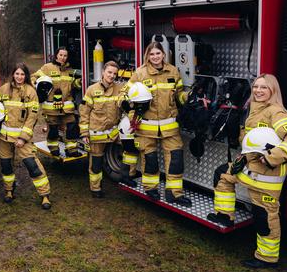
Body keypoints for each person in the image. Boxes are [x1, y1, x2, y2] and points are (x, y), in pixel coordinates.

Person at [208, 74, 287, 268]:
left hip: (266, 176)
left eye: (264, 88)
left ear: (273, 91)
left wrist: (272, 157)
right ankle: (225, 216)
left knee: (264, 216)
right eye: (256, 87)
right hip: (249, 167)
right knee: (222, 175)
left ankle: (267, 257)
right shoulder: (254, 109)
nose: (258, 91)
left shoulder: (275, 112)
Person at [124, 41, 192, 206]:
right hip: (146, 126)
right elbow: (125, 93)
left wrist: (189, 97)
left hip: (170, 126)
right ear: (147, 55)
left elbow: (179, 94)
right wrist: (128, 104)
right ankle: (150, 188)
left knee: (176, 159)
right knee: (150, 159)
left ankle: (174, 193)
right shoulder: (140, 73)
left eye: (158, 53)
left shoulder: (173, 71)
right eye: (152, 54)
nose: (155, 57)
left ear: (163, 54)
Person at [0, 63, 52, 209]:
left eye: (22, 74)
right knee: (6, 166)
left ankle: (45, 195)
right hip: (3, 138)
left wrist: (23, 138)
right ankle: (9, 191)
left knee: (32, 166)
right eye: (17, 74)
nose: (19, 77)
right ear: (13, 74)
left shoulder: (31, 92)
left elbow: (32, 118)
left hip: (22, 139)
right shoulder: (4, 89)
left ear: (26, 76)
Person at [79, 61, 124, 197]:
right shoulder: (92, 90)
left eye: (114, 74)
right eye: (109, 72)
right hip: (96, 135)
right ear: (103, 72)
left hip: (114, 134)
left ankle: (127, 176)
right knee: (96, 164)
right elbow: (84, 113)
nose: (111, 76)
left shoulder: (120, 89)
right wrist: (84, 133)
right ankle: (96, 188)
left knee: (130, 150)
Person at [32, 47, 81, 157]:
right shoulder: (47, 67)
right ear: (56, 56)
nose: (63, 58)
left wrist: (79, 82)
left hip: (67, 107)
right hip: (51, 108)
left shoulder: (69, 70)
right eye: (61, 55)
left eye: (65, 56)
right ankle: (53, 148)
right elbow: (34, 76)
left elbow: (72, 85)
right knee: (53, 130)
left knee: (72, 127)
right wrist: (34, 84)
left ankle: (71, 150)